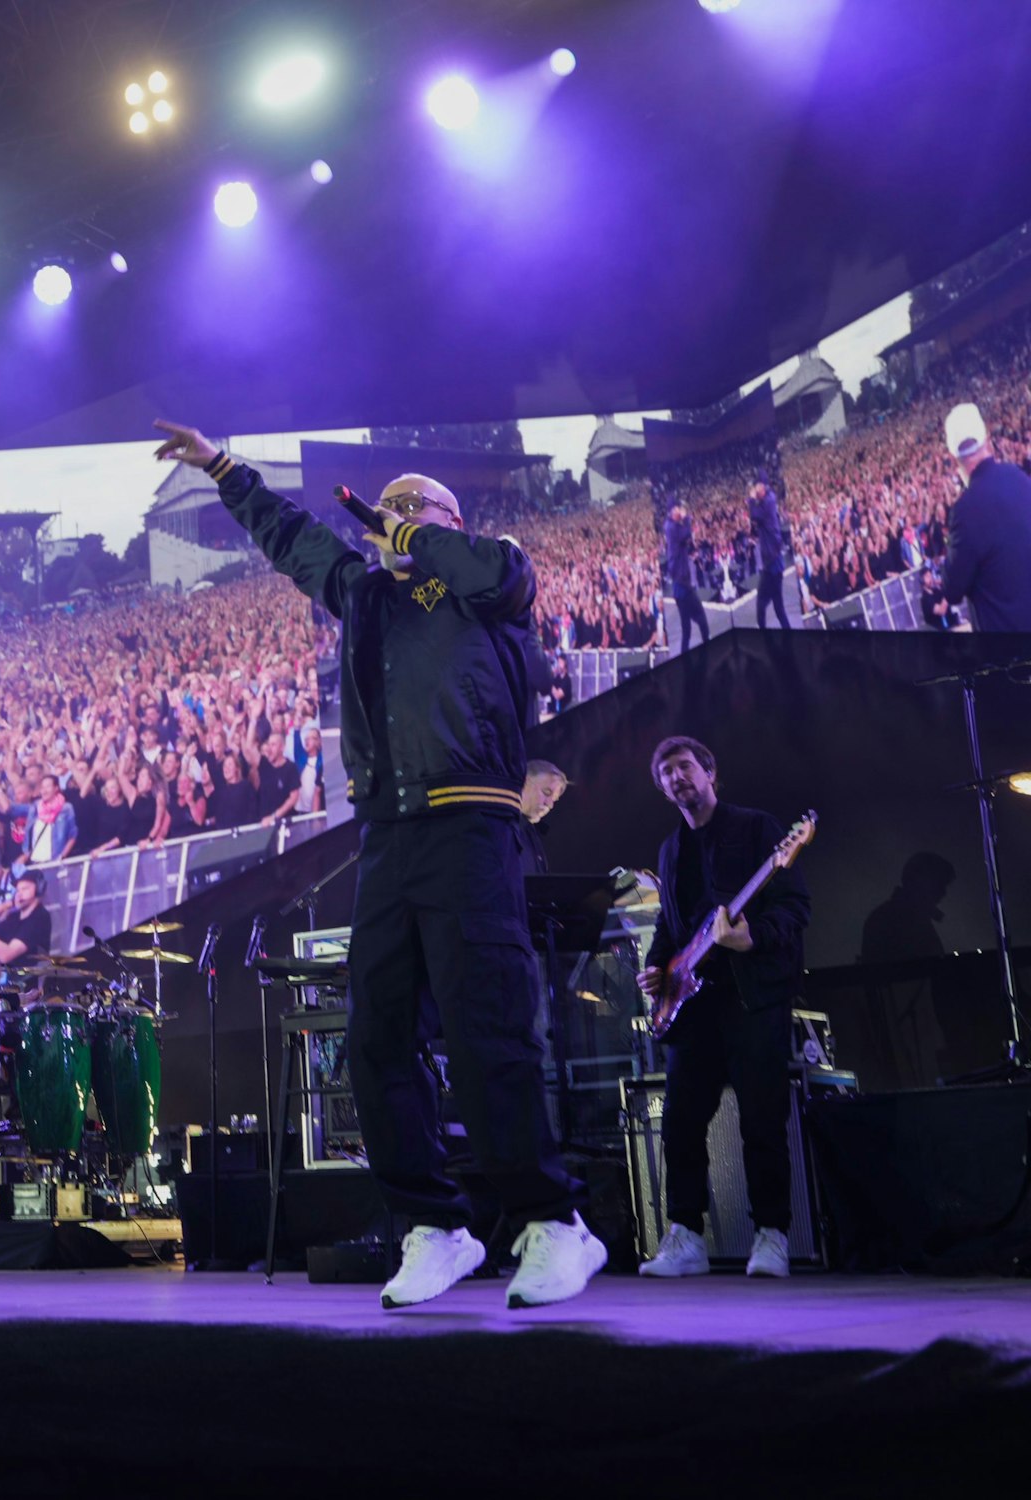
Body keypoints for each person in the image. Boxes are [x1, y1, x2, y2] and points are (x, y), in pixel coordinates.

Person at [153, 419, 603, 1310]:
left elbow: (495, 574)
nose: (390, 519)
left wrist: (415, 534)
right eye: (386, 509)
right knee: (375, 1040)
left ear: (445, 519)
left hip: (473, 825)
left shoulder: (490, 575)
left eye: (413, 508)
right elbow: (292, 537)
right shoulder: (364, 595)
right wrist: (222, 468)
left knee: (488, 1034)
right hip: (390, 835)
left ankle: (555, 1223)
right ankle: (434, 1226)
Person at [636, 737, 810, 1280]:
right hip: (693, 1008)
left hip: (751, 996)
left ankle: (771, 1236)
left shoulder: (759, 831)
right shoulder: (670, 849)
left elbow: (795, 908)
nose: (676, 777)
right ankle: (685, 1237)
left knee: (761, 1119)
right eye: (666, 773)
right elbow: (672, 923)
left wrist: (750, 937)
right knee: (681, 1125)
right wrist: (657, 968)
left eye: (684, 766)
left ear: (710, 772)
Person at [939, 402, 1031, 631]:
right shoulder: (1018, 476)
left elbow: (952, 589)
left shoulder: (964, 511)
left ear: (952, 459)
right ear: (987, 441)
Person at [664, 503, 710, 654]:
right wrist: (686, 518)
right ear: (671, 512)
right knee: (702, 621)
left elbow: (686, 539)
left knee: (687, 630)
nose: (679, 511)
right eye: (676, 508)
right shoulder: (672, 528)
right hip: (684, 587)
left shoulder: (671, 526)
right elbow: (686, 534)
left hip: (679, 590)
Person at [747, 480, 792, 630]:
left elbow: (754, 515)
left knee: (760, 605)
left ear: (764, 488)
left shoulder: (766, 504)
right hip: (775, 563)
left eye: (757, 487)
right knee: (779, 609)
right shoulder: (770, 499)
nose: (755, 490)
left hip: (771, 565)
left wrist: (751, 499)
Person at [513, 759, 568, 876]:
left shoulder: (531, 834)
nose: (549, 804)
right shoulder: (499, 828)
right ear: (523, 783)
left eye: (554, 800)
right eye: (546, 793)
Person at [0, 872, 53, 964]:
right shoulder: (13, 916)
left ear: (39, 890)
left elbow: (6, 955)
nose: (18, 894)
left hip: (28, 976)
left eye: (24, 889)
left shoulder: (40, 917)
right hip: (5, 974)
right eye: (17, 890)